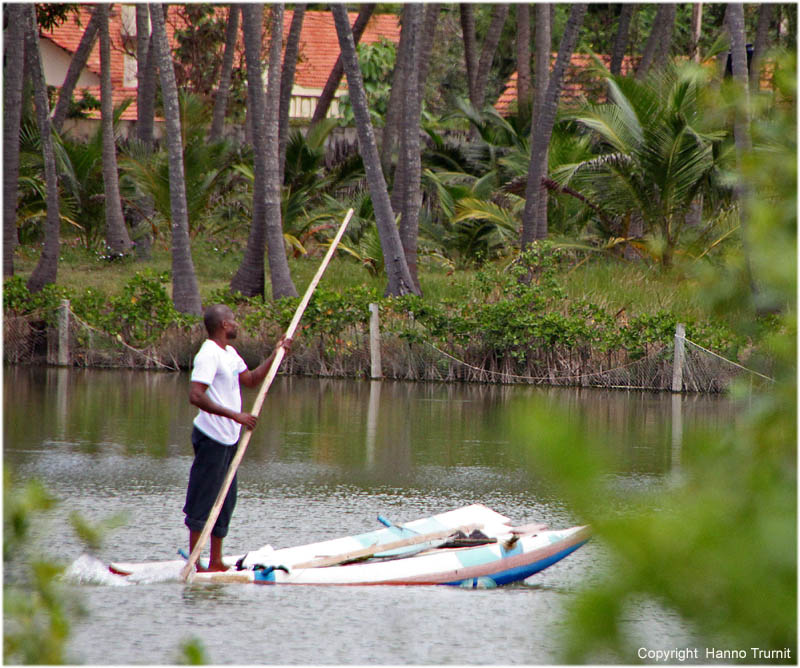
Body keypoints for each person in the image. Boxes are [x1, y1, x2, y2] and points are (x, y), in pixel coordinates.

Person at [184, 304, 291, 572]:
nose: (236, 324)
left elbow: (252, 379)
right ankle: (195, 563)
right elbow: (196, 395)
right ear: (223, 325)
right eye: (233, 321)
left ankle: (216, 562)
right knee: (204, 498)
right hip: (212, 437)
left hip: (229, 440)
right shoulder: (208, 354)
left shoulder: (229, 353)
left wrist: (277, 354)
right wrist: (235, 416)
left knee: (226, 499)